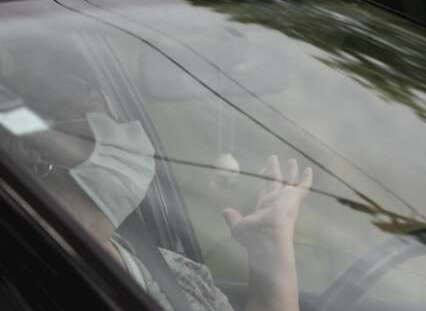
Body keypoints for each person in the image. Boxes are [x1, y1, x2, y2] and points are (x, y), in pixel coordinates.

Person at [0, 85, 312, 311]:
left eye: (114, 112)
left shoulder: (177, 272)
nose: (127, 131)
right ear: (36, 163)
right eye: (95, 117)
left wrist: (271, 248)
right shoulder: (22, 289)